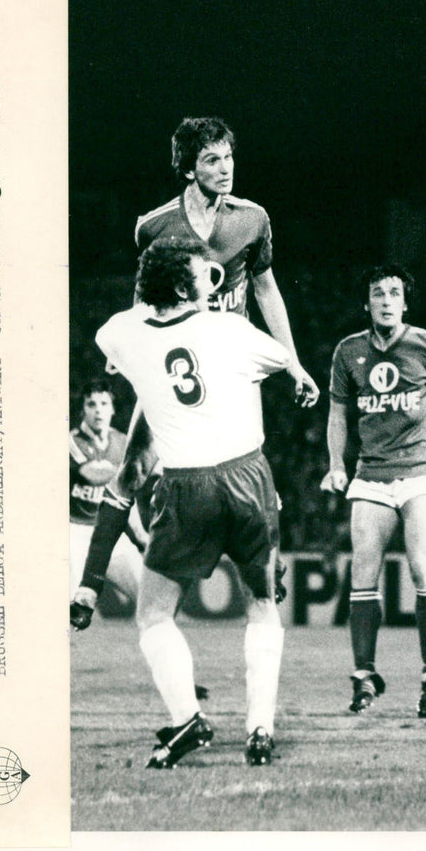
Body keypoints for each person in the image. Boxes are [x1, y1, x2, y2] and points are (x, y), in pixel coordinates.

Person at [71, 116, 314, 629]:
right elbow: (145, 297)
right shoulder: (155, 226)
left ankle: (269, 561)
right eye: (211, 160)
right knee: (134, 468)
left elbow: (267, 290)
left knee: (250, 468)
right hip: (173, 364)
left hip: (231, 367)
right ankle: (89, 587)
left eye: (228, 157)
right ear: (187, 168)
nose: (225, 169)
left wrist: (292, 363)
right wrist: (130, 352)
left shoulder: (252, 219)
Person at [95, 237, 290, 767]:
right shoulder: (228, 329)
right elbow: (276, 360)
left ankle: (188, 720)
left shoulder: (121, 331)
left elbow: (117, 336)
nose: (215, 283)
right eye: (206, 276)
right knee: (263, 605)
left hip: (186, 486)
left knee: (154, 615)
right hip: (249, 477)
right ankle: (260, 729)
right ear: (185, 285)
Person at [320, 265, 426, 718]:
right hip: (372, 471)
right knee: (363, 569)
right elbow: (337, 415)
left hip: (422, 468)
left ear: (405, 303)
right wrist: (336, 465)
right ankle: (363, 676)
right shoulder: (347, 351)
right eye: (378, 293)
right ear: (367, 303)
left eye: (394, 293)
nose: (386, 300)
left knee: (420, 564)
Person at [69, 380, 145, 601]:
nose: (98, 410)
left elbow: (122, 496)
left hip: (109, 532)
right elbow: (94, 474)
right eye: (91, 404)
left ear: (113, 408)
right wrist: (139, 469)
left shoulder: (122, 443)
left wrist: (140, 535)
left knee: (147, 597)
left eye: (104, 403)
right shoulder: (71, 441)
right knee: (73, 607)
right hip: (74, 533)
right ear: (83, 409)